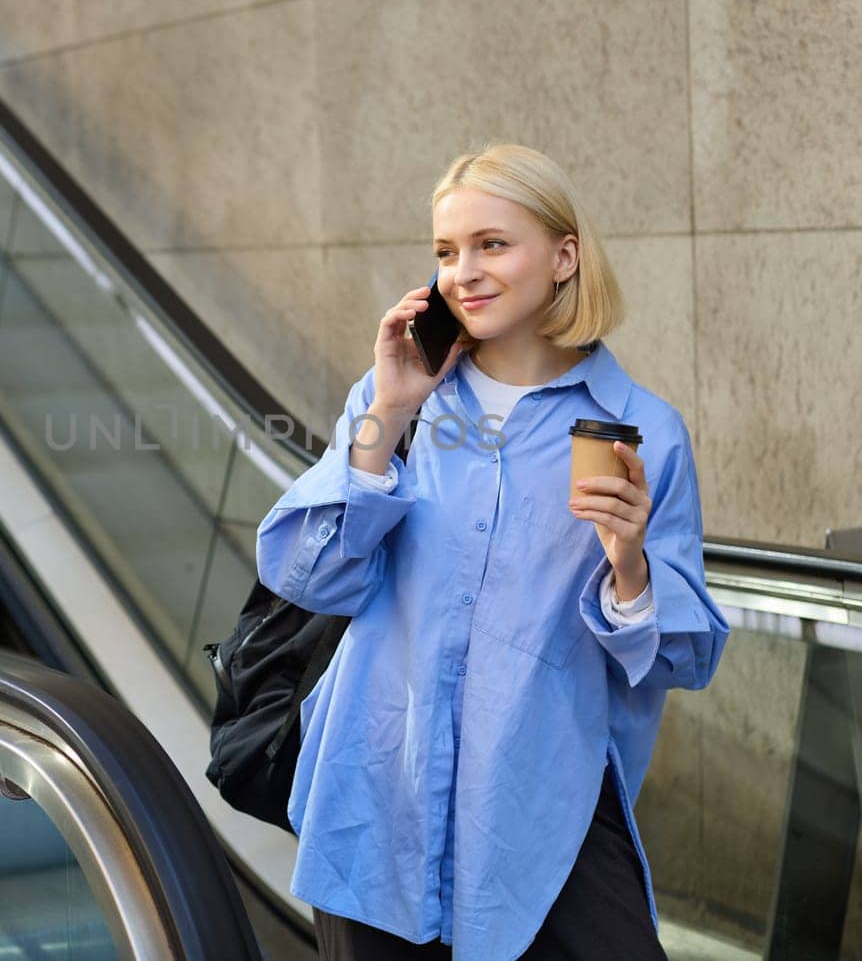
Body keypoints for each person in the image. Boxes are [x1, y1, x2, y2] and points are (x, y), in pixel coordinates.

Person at [255, 143, 730, 960]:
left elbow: (681, 659)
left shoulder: (643, 427)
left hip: (541, 810)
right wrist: (391, 414)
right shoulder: (394, 397)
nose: (461, 272)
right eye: (446, 251)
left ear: (564, 256)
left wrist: (631, 565)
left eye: (492, 244)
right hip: (377, 796)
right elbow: (310, 574)